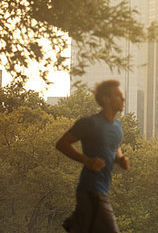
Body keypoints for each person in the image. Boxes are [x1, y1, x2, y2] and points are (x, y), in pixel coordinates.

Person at [56, 79, 130, 233]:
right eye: (118, 95)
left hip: (101, 189)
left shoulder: (118, 126)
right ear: (106, 99)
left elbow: (114, 147)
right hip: (91, 189)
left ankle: (76, 223)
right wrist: (87, 161)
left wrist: (120, 159)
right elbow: (62, 144)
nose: (123, 99)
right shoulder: (90, 123)